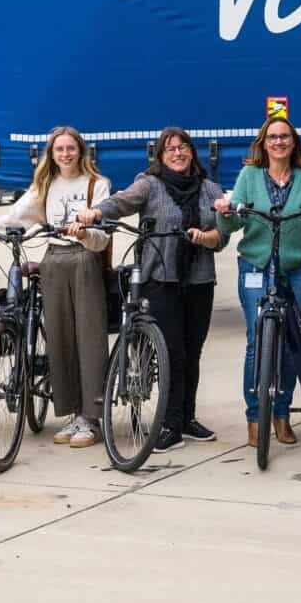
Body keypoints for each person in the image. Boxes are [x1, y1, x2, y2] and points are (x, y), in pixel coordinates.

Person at [75, 126, 226, 450]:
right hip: (161, 281)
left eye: (183, 147)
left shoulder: (209, 189)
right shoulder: (151, 184)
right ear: (161, 155)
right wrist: (96, 213)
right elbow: (121, 203)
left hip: (199, 279)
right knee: (172, 353)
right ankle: (169, 425)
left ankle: (187, 418)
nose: (177, 153)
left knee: (193, 352)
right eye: (170, 148)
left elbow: (222, 233)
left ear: (191, 152)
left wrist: (210, 235)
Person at [215, 114, 301, 448]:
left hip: (295, 268)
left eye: (285, 137)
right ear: (263, 143)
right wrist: (225, 212)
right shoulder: (249, 175)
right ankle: (255, 418)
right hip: (256, 264)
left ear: (293, 142)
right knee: (258, 341)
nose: (279, 142)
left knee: (289, 342)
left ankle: (282, 415)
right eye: (273, 137)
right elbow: (232, 225)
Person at [0, 127, 111, 448]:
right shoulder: (45, 185)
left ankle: (91, 417)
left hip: (85, 259)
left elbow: (103, 236)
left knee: (89, 337)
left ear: (81, 151)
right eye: (59, 149)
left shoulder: (98, 185)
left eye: (71, 148)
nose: (65, 154)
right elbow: (16, 218)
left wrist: (84, 234)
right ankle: (71, 413)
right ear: (51, 154)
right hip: (53, 259)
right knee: (60, 338)